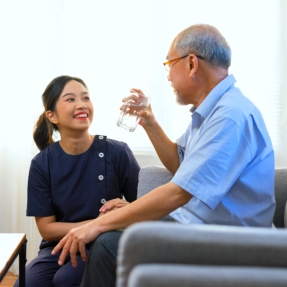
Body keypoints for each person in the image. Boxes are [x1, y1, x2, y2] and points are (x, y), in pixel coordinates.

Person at [52, 24, 276, 287]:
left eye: (169, 64)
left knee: (107, 245)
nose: (168, 76)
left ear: (191, 63)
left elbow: (179, 192)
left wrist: (95, 225)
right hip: (198, 226)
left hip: (227, 241)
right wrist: (150, 122)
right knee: (111, 232)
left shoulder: (230, 117)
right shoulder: (211, 112)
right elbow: (181, 165)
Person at [13, 76, 140, 287]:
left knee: (67, 280)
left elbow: (145, 205)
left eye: (86, 98)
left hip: (103, 245)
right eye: (70, 99)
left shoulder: (117, 152)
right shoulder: (42, 163)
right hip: (57, 247)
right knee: (26, 284)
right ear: (51, 115)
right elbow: (47, 229)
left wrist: (125, 209)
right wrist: (98, 223)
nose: (82, 105)